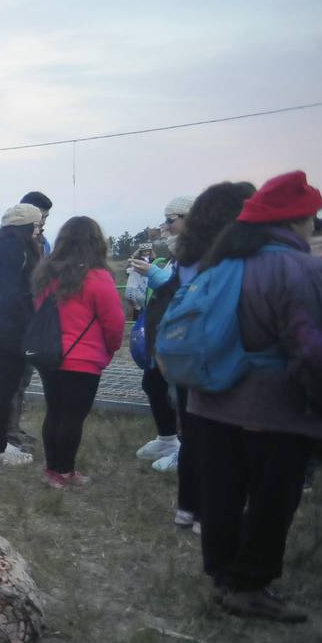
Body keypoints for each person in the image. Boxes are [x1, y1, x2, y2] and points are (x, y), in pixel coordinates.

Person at [188, 171, 322, 622]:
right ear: (298, 220)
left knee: (222, 495)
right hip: (273, 408)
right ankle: (250, 585)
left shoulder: (220, 265)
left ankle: (223, 575)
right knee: (273, 499)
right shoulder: (303, 271)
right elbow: (313, 350)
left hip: (211, 402)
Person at [134, 183, 255, 530]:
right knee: (218, 439)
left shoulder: (188, 253)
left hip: (185, 351)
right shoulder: (224, 255)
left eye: (172, 219)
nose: (168, 225)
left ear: (193, 218)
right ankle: (208, 513)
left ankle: (188, 507)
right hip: (219, 354)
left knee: (196, 433)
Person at [29, 217, 126, 489]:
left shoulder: (46, 276)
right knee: (73, 416)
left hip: (50, 356)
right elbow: (115, 323)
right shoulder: (98, 278)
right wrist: (112, 347)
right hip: (83, 360)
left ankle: (51, 470)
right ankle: (65, 470)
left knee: (55, 412)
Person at [0, 203, 44, 466]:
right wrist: (32, 320)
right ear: (26, 227)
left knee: (2, 389)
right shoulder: (16, 249)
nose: (39, 231)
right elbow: (13, 292)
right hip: (11, 329)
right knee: (5, 390)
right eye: (37, 225)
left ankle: (0, 445)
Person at [131, 196, 195, 468]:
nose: (166, 226)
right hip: (163, 333)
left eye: (171, 220)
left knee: (184, 395)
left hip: (183, 334)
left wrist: (153, 276)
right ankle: (167, 438)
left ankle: (189, 451)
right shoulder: (176, 250)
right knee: (153, 384)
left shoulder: (198, 252)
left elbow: (185, 290)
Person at [7, 191, 54, 447]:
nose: (44, 222)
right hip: (14, 322)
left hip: (33, 321)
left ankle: (15, 428)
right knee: (11, 379)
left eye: (46, 217)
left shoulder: (43, 243)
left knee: (23, 379)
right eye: (41, 217)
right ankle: (8, 434)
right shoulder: (11, 245)